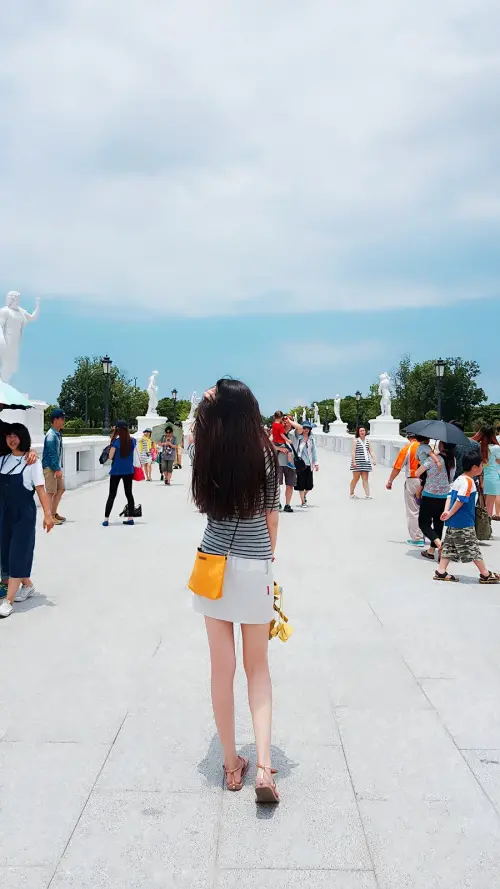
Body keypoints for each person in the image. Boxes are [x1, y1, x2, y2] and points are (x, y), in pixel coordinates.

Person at [191, 379, 281, 804]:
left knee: (220, 669)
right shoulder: (265, 453)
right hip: (254, 563)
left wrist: (207, 403)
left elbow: (204, 506)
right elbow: (272, 517)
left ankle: (231, 764)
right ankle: (263, 766)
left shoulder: (205, 449)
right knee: (257, 668)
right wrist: (268, 563)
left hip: (212, 564)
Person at [0, 424, 54, 619]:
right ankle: (28, 585)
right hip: (4, 513)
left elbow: (40, 489)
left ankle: (9, 600)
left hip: (23, 515)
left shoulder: (32, 462)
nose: (12, 439)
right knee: (6, 553)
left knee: (18, 553)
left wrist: (48, 514)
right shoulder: (2, 460)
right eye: (9, 436)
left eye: (16, 436)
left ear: (23, 438)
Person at [434, 452, 499, 584]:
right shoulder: (468, 482)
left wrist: (447, 511)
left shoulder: (459, 479)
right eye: (481, 465)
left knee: (449, 547)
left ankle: (441, 571)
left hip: (454, 521)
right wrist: (449, 513)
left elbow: (449, 496)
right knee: (472, 547)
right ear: (474, 467)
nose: (482, 468)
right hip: (463, 521)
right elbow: (461, 500)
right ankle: (485, 574)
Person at [414, 441, 455, 560]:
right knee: (438, 524)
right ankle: (431, 551)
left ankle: (439, 545)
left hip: (430, 494)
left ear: (442, 445)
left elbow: (417, 473)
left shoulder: (433, 459)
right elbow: (451, 477)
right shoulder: (452, 460)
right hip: (444, 495)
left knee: (423, 523)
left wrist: (421, 461)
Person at [386, 433, 424, 546]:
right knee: (424, 509)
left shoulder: (408, 448)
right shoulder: (427, 448)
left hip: (413, 480)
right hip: (427, 481)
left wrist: (390, 481)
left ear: (409, 437)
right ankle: (425, 533)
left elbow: (398, 466)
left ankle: (417, 538)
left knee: (413, 510)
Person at [103, 421, 136, 526]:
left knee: (112, 494)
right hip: (128, 471)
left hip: (116, 471)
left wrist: (114, 435)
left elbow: (110, 457)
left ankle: (106, 519)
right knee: (129, 494)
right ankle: (130, 518)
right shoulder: (133, 441)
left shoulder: (116, 442)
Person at [274, 414, 304, 513]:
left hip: (291, 464)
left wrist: (290, 421)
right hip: (278, 462)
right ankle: (277, 503)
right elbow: (269, 443)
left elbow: (300, 428)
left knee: (290, 485)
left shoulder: (294, 433)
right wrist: (279, 448)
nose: (285, 422)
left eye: (288, 420)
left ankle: (287, 504)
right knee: (276, 485)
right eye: (284, 420)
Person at [42, 408, 66, 525]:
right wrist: (57, 469)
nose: (63, 421)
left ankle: (53, 513)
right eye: (62, 418)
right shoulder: (51, 435)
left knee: (61, 489)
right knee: (50, 492)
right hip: (50, 467)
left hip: (55, 467)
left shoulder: (57, 434)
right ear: (55, 420)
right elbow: (52, 454)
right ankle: (49, 516)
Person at [472, 426, 500, 517]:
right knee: (489, 509)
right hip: (493, 479)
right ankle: (487, 525)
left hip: (481, 479)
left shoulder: (478, 447)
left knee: (481, 507)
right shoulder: (496, 448)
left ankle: (480, 525)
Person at [293, 421, 319, 507]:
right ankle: (303, 502)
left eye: (308, 428)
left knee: (309, 485)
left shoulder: (312, 439)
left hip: (309, 464)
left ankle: (304, 495)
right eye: (304, 428)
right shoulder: (298, 438)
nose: (306, 429)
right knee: (301, 484)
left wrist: (316, 463)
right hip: (300, 464)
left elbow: (314, 451)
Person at [350, 427, 376, 499]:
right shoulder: (355, 441)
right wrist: (354, 462)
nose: (362, 432)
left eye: (363, 430)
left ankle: (368, 495)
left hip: (366, 462)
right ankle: (351, 493)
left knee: (365, 479)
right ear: (358, 432)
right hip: (357, 462)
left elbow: (371, 451)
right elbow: (353, 452)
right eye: (361, 431)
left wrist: (374, 459)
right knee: (355, 478)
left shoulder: (368, 441)